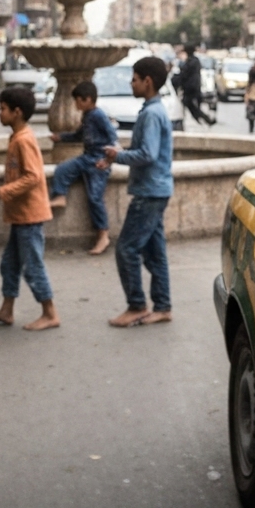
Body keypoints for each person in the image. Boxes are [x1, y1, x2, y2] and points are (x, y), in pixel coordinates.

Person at [0, 87, 60, 331]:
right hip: (20, 215)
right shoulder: (17, 138)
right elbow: (17, 174)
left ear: (17, 112)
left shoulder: (24, 140)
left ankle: (50, 312)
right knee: (9, 264)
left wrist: (0, 193)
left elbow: (33, 177)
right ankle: (7, 310)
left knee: (32, 266)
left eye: (3, 109)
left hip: (29, 216)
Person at [100, 56, 174, 327]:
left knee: (127, 249)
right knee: (155, 252)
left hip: (150, 191)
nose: (131, 83)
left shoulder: (152, 113)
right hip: (155, 188)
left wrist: (118, 156)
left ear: (148, 81)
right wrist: (116, 155)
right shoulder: (153, 110)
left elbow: (148, 154)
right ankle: (163, 306)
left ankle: (137, 305)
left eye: (134, 79)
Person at [48, 80, 119, 255]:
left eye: (78, 100)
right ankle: (60, 195)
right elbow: (79, 136)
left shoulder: (99, 115)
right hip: (87, 157)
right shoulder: (87, 116)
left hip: (98, 161)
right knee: (63, 169)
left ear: (87, 100)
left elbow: (113, 139)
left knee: (95, 197)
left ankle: (103, 235)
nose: (76, 104)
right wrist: (62, 137)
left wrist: (107, 160)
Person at [177, 45, 216, 127]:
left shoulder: (191, 61)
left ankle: (204, 119)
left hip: (191, 87)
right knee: (191, 105)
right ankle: (203, 119)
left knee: (189, 104)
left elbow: (184, 74)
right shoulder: (194, 60)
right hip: (194, 87)